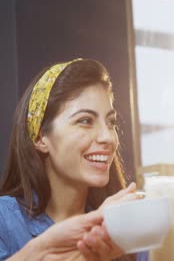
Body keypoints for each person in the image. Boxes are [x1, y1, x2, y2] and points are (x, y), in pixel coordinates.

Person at [0, 58, 142, 260]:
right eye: (85, 121)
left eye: (111, 122)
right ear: (41, 138)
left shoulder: (126, 227)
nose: (108, 137)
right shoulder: (4, 221)